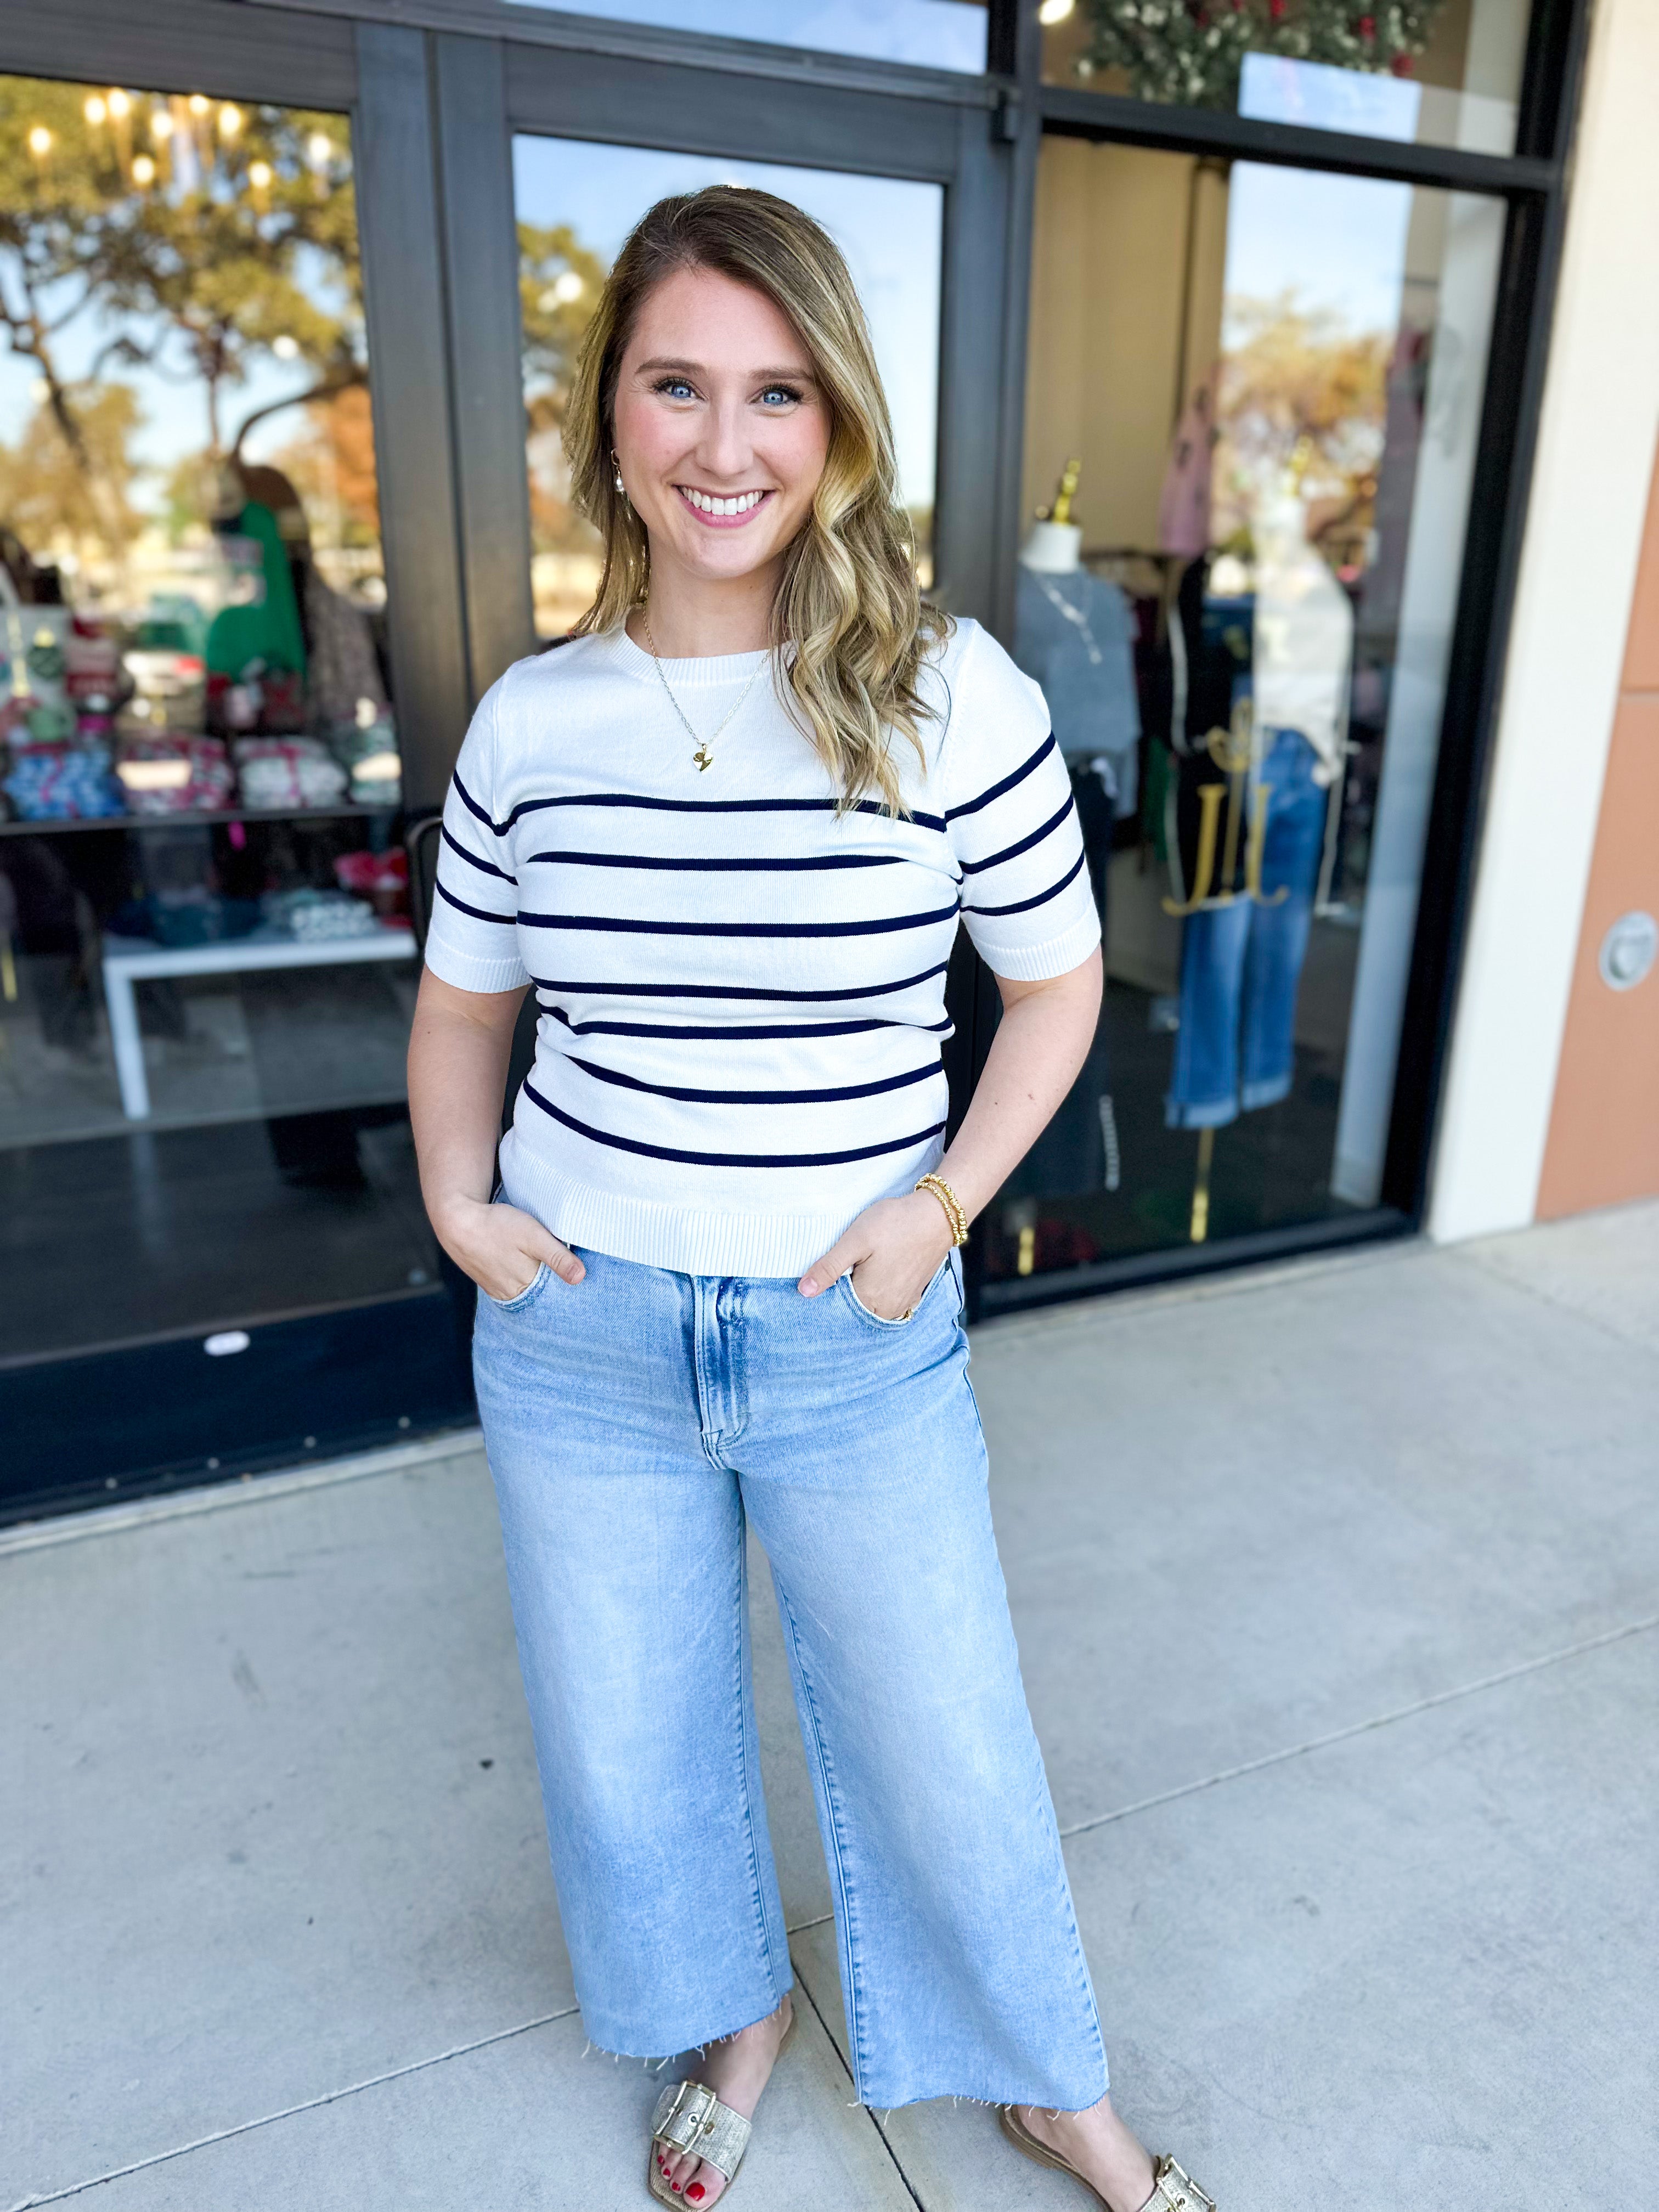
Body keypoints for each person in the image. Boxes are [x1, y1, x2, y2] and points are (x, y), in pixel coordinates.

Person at [407, 187, 1215, 2212]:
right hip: (582, 1329)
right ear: (610, 419)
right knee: (628, 1745)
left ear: (840, 425)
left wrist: (936, 1210)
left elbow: (1055, 987)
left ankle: (1050, 2083)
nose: (723, 443)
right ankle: (734, 2013)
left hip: (848, 1322)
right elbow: (459, 1008)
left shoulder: (951, 699)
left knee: (952, 1745)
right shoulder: (535, 722)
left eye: (777, 393)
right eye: (675, 384)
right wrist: (457, 1204)